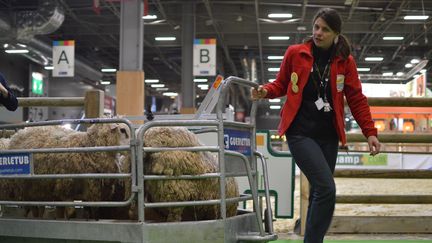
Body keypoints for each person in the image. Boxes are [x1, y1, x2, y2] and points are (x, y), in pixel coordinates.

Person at [251, 8, 381, 243]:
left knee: (319, 193)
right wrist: (265, 91)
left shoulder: (345, 61)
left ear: (336, 35)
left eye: (325, 29)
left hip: (329, 136)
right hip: (299, 133)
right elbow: (280, 84)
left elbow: (356, 99)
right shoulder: (295, 53)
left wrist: (370, 132)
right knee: (327, 189)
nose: (318, 33)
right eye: (316, 27)